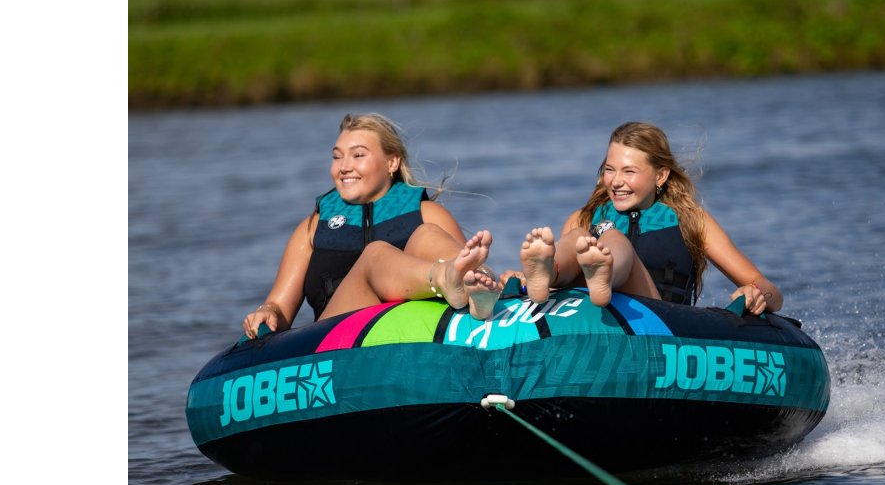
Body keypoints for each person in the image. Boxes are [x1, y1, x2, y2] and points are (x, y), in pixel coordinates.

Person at [242, 113, 500, 340]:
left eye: (358, 155)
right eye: (337, 157)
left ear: (392, 163)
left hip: (413, 332)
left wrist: (491, 279)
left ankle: (487, 291)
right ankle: (443, 278)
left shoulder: (427, 214)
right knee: (375, 256)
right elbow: (278, 308)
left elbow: (463, 261)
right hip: (334, 340)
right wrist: (267, 312)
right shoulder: (312, 229)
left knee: (428, 234)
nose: (344, 167)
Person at [517, 121, 783, 314]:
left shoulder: (691, 220)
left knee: (613, 239)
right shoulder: (584, 218)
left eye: (629, 171)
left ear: (661, 175)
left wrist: (757, 293)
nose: (616, 181)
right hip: (595, 322)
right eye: (610, 169)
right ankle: (548, 271)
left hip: (660, 325)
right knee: (578, 235)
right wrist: (523, 282)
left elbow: (769, 290)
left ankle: (604, 273)